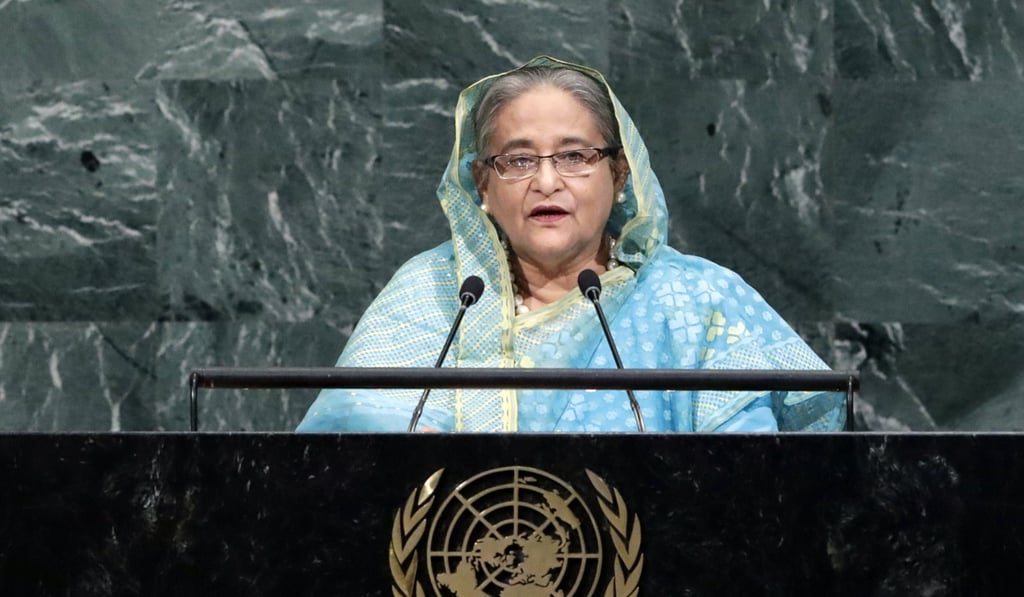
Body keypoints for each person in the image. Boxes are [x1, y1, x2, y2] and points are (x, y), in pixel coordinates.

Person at [297, 56, 846, 433]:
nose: (546, 181)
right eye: (517, 160)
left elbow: (763, 487)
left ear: (621, 174)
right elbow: (339, 473)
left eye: (575, 156)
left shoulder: (699, 302)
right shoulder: (431, 294)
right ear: (482, 184)